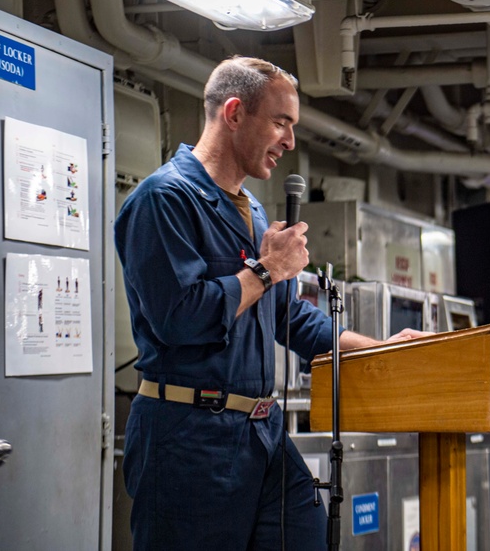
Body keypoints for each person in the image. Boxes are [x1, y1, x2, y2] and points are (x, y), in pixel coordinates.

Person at [115, 56, 427, 551]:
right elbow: (180, 318)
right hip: (189, 440)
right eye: (281, 122)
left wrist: (377, 350)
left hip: (261, 434)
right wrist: (266, 270)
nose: (291, 141)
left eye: (293, 126)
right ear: (234, 113)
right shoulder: (163, 200)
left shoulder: (254, 211)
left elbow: (290, 317)